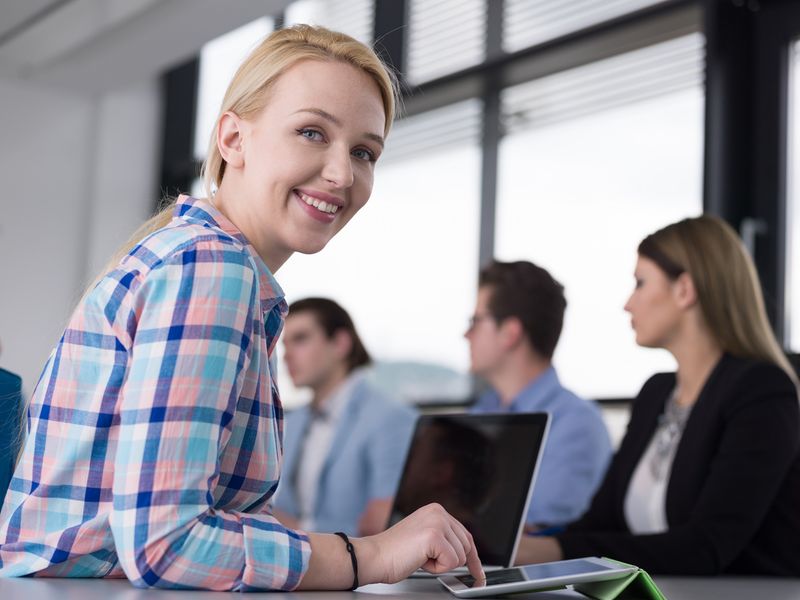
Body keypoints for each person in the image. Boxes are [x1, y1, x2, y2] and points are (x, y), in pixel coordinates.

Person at [0, 25, 483, 590]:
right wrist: (369, 556)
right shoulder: (211, 268)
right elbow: (164, 543)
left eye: (363, 152)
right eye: (311, 132)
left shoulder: (199, 260)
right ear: (233, 139)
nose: (342, 173)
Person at [516, 215, 800, 575]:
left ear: (685, 290)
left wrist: (550, 550)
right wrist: (533, 539)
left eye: (640, 283)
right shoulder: (657, 392)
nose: (628, 304)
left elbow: (705, 546)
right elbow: (603, 522)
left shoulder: (761, 391)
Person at [465, 260, 612, 529]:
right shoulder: (482, 412)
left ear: (510, 333)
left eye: (475, 321)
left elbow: (535, 530)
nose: (466, 334)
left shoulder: (576, 424)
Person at [272, 297, 416, 536]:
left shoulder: (391, 419)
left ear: (340, 343)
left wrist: (298, 531)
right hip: (296, 561)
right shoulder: (292, 422)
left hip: (359, 568)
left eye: (300, 339)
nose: (286, 355)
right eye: (284, 344)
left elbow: (386, 527)